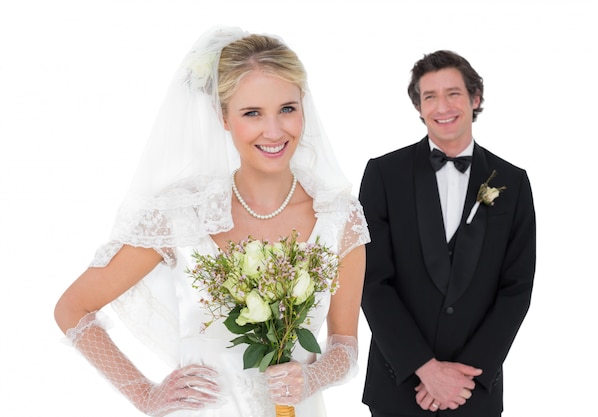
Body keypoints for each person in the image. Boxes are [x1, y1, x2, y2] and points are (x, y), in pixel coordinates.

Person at [54, 26, 369, 417]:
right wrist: (145, 394)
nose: (274, 131)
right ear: (223, 117)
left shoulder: (340, 218)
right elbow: (73, 307)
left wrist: (312, 378)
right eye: (252, 113)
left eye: (287, 108)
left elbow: (345, 344)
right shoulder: (182, 214)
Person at [359, 50, 536, 416]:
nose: (443, 106)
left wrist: (466, 376)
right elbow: (371, 281)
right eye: (430, 96)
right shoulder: (383, 175)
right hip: (399, 384)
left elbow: (516, 287)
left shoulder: (512, 182)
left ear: (475, 98)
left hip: (474, 389)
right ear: (419, 107)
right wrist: (424, 367)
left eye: (453, 93)